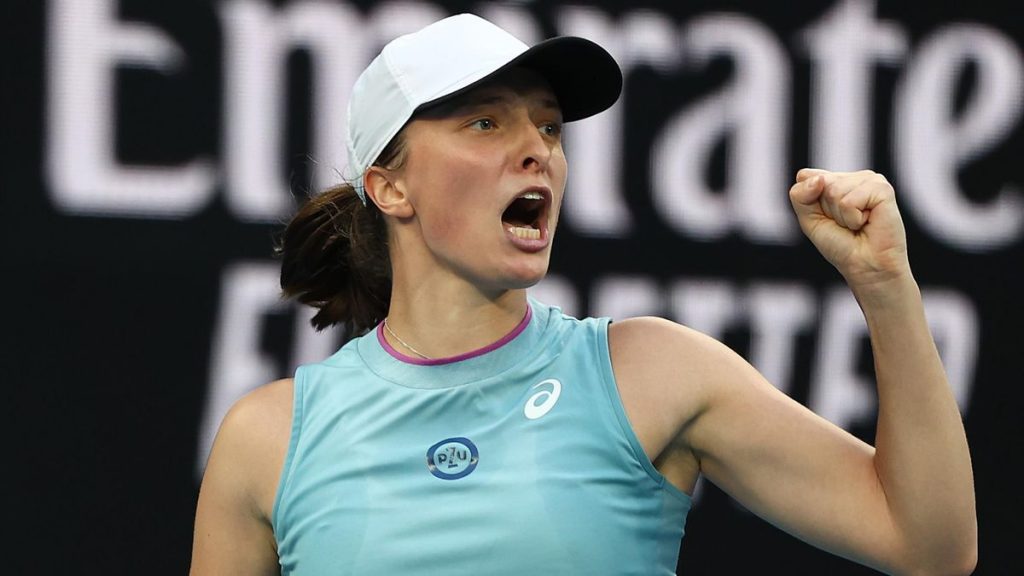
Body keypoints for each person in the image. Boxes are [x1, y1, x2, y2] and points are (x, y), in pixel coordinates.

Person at [190, 13, 977, 576]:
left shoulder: (654, 373)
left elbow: (930, 546)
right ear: (390, 187)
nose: (536, 150)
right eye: (485, 124)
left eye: (548, 127)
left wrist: (885, 287)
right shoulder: (268, 439)